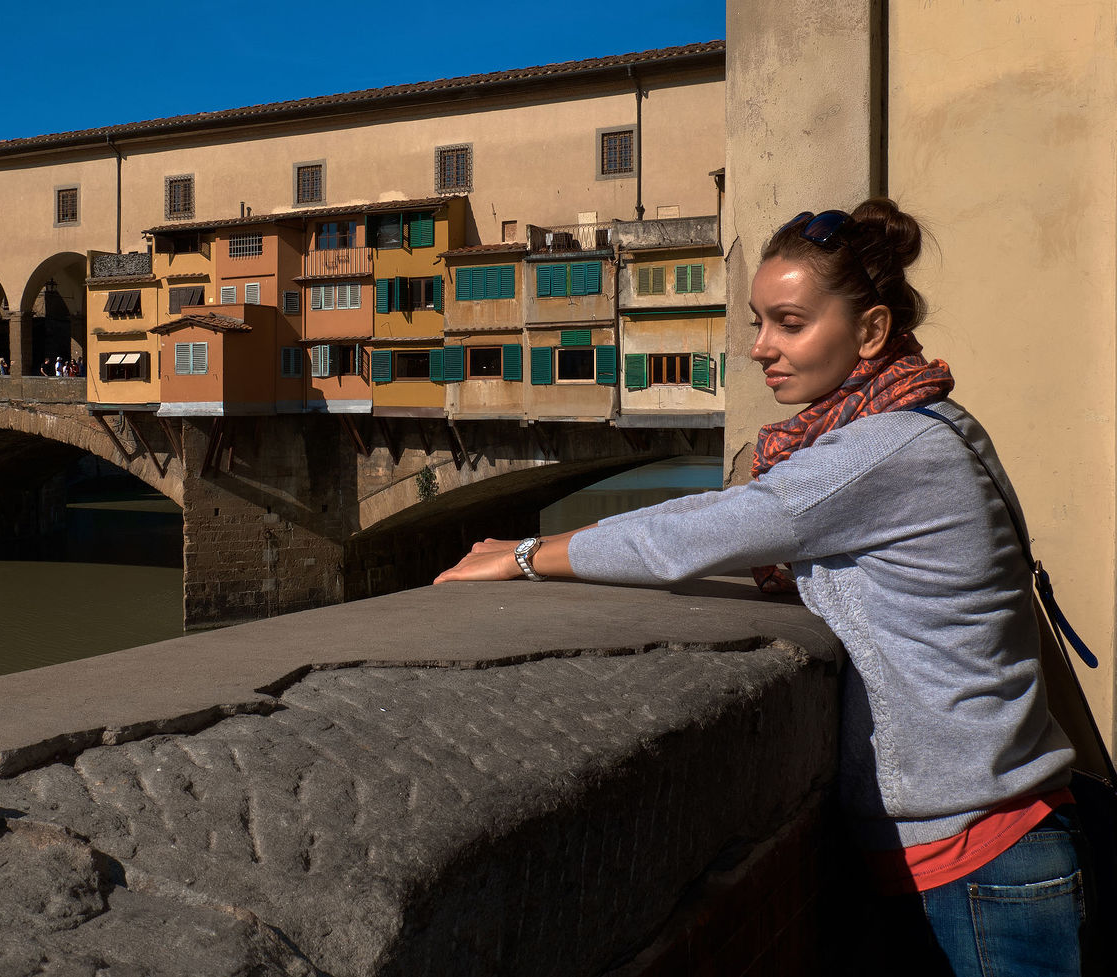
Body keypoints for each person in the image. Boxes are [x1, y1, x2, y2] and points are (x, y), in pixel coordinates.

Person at [436, 199, 1091, 974]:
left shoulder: (887, 448)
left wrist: (524, 556)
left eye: (789, 323)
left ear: (872, 331)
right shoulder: (932, 418)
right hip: (986, 838)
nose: (760, 348)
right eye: (758, 322)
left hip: (979, 859)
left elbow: (695, 534)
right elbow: (743, 515)